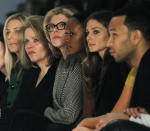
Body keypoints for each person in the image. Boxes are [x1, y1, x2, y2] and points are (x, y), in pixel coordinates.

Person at [73, 4, 150, 131]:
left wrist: (127, 118)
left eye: (114, 35)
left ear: (135, 36)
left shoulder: (138, 66)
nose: (109, 43)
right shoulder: (140, 67)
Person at [8, 15, 59, 131]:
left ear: (47, 40)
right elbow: (15, 109)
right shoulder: (30, 73)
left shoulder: (59, 70)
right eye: (26, 41)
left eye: (36, 40)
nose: (29, 46)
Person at [43, 6, 83, 131]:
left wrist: (45, 111)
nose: (55, 30)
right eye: (51, 26)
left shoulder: (78, 61)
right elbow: (58, 108)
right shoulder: (61, 62)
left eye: (61, 25)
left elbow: (70, 114)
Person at [0, 12, 30, 131]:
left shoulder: (32, 68)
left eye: (16, 31)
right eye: (7, 32)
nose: (10, 37)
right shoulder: (15, 69)